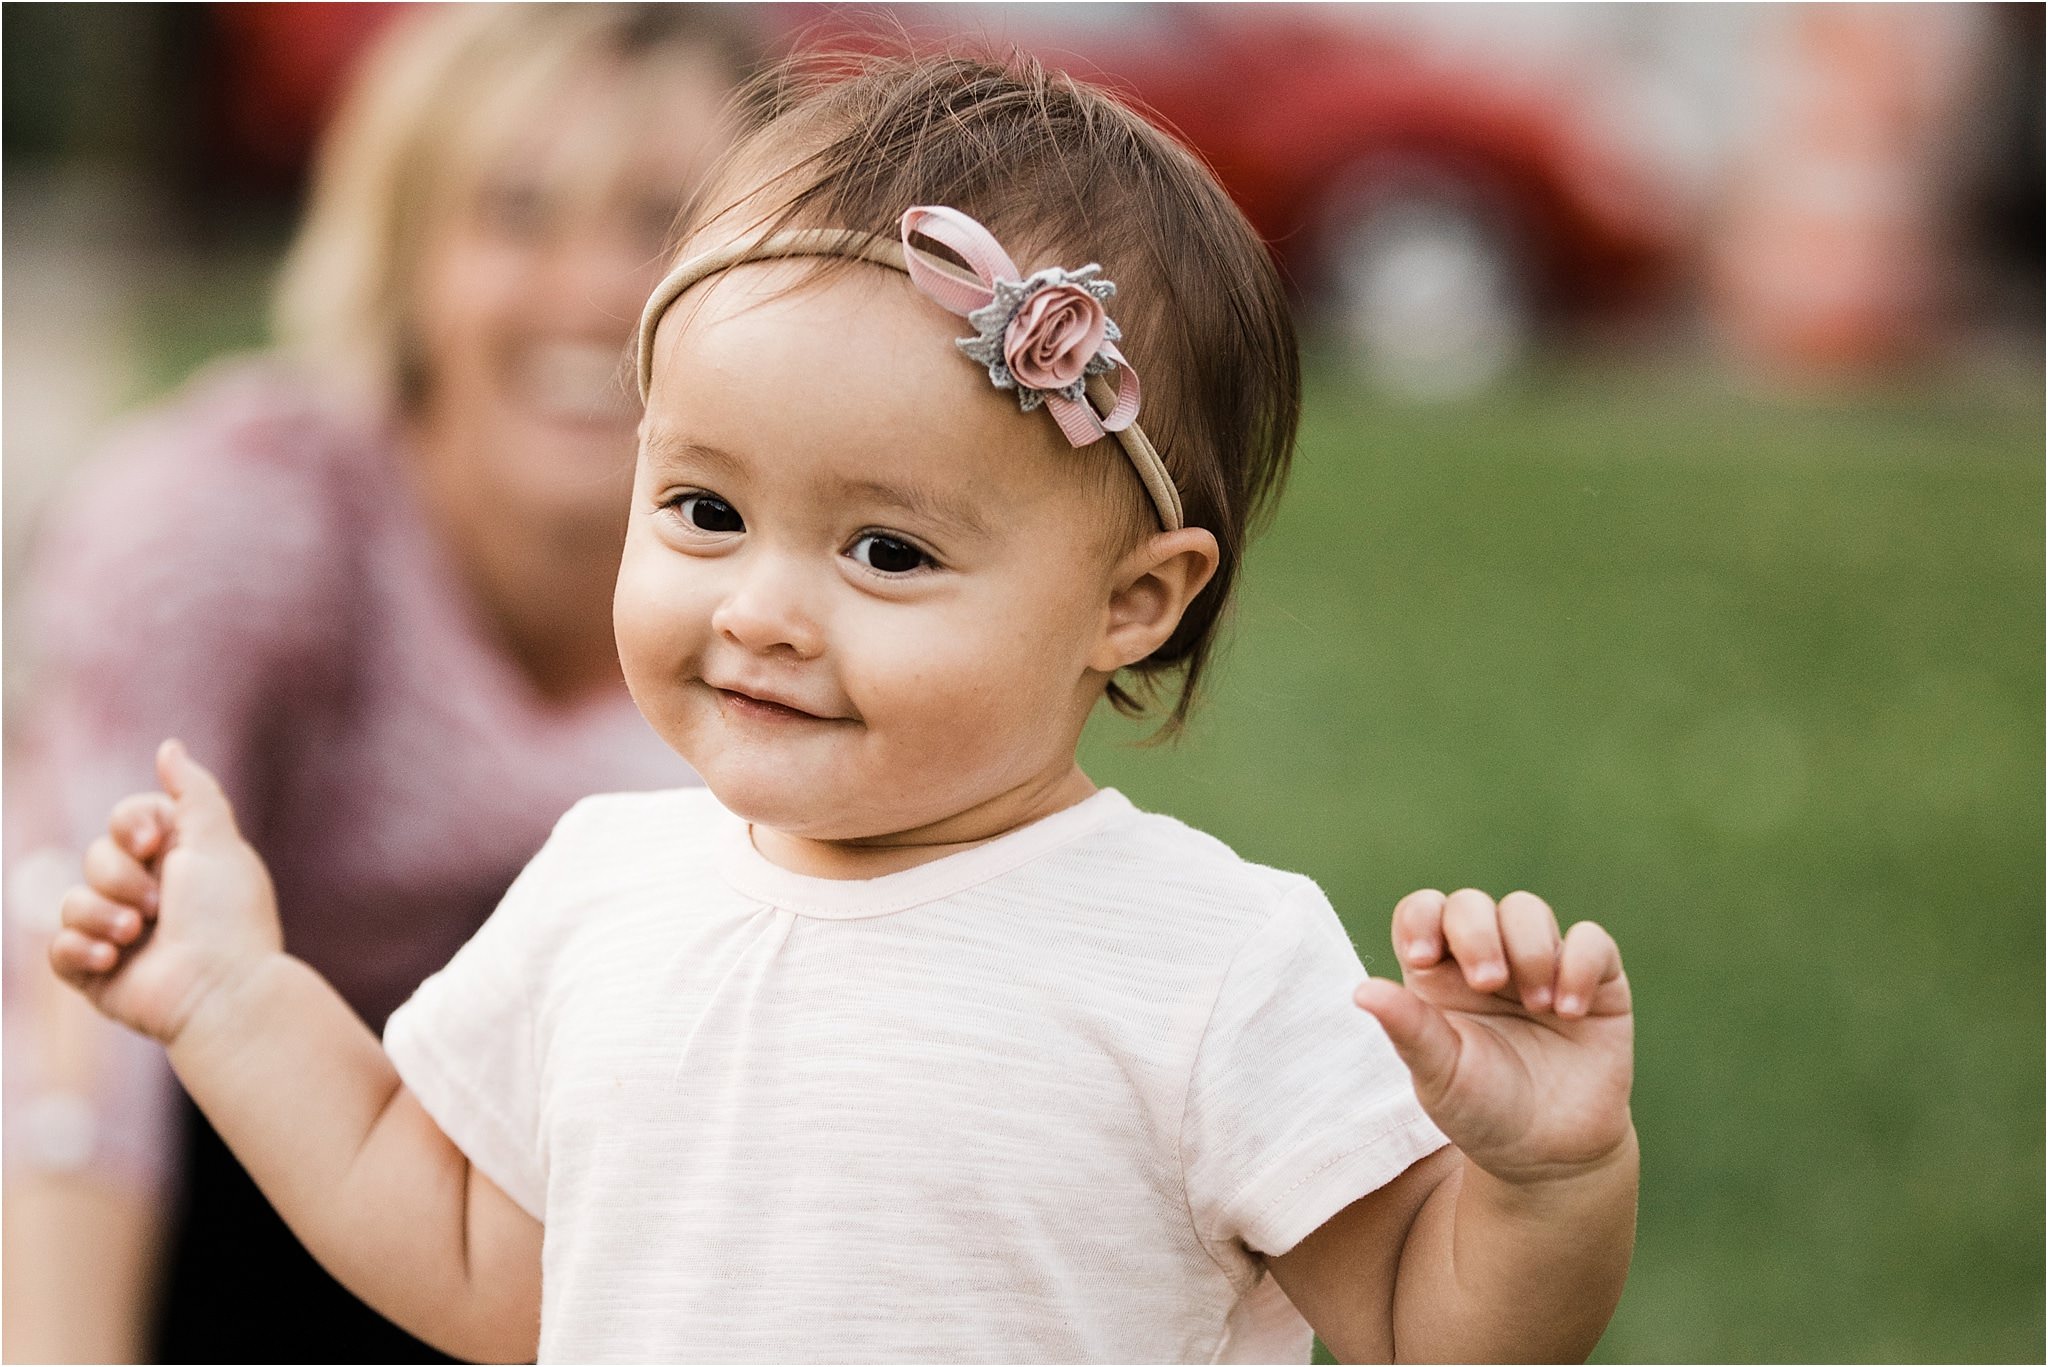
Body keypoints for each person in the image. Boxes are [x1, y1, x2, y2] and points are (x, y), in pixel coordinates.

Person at [50, 50, 1639, 1363]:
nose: (757, 610)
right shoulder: (604, 888)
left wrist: (1546, 1185)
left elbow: (1434, 1335)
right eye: (702, 513)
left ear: (1130, 602)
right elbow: (479, 1264)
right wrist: (233, 997)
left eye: (885, 550)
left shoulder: (1209, 965)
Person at [4, 6, 759, 1361]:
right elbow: (74, 1013)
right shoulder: (233, 515)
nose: (596, 290)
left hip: (497, 1210)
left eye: (659, 224)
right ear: (407, 254)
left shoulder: (804, 597)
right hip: (143, 1163)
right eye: (518, 215)